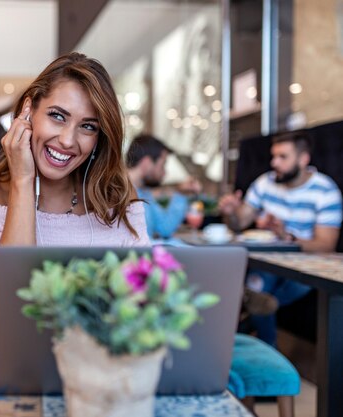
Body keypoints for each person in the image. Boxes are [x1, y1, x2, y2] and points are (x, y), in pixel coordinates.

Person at [0, 52, 150, 341]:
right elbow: (3, 309)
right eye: (57, 116)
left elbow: (145, 301)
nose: (67, 140)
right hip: (2, 377)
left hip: (97, 369)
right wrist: (23, 180)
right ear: (28, 111)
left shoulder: (118, 200)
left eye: (88, 126)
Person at [218, 130, 342, 346]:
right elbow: (239, 222)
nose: (274, 163)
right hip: (266, 262)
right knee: (258, 285)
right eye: (273, 156)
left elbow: (326, 244)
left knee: (260, 295)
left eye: (283, 157)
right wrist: (230, 211)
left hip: (304, 264)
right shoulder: (265, 182)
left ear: (303, 159)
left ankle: (255, 327)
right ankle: (265, 341)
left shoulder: (325, 191)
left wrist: (287, 236)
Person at [125, 134, 201, 240]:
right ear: (147, 163)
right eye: (163, 165)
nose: (164, 173)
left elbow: (164, 228)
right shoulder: (118, 193)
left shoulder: (144, 192)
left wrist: (181, 194)